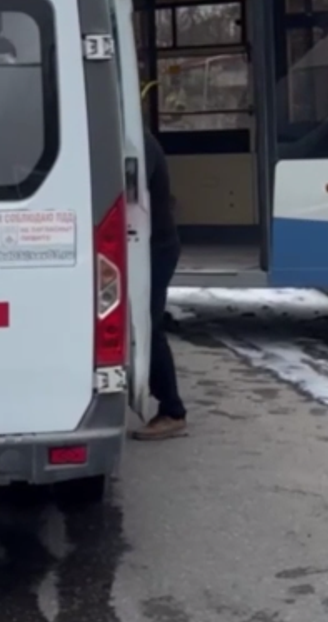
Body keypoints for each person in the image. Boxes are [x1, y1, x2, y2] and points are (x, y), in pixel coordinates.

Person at [132, 128, 188, 440]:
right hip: (149, 246)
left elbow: (128, 190)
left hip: (155, 249)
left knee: (148, 325)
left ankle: (172, 410)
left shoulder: (140, 145)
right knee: (145, 323)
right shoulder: (137, 139)